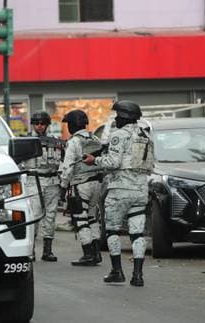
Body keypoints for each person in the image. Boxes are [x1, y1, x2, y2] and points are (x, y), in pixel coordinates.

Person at [84, 100, 154, 287]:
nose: (116, 119)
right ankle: (137, 275)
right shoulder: (146, 135)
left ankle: (117, 271)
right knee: (137, 234)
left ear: (124, 116)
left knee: (113, 230)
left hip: (120, 190)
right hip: (141, 189)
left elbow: (113, 162)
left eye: (118, 116)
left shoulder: (118, 135)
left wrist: (94, 160)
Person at [59, 110, 104, 267]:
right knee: (92, 217)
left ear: (72, 125)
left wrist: (63, 187)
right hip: (97, 183)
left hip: (81, 184)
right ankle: (96, 253)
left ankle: (88, 254)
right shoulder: (96, 139)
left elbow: (68, 167)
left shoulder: (74, 142)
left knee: (80, 218)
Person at [24, 111, 62, 262]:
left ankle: (47, 250)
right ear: (33, 124)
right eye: (37, 123)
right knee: (34, 217)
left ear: (47, 125)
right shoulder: (26, 141)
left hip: (52, 181)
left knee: (50, 216)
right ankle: (31, 250)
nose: (40, 126)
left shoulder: (55, 141)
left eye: (43, 123)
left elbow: (63, 161)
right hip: (34, 180)